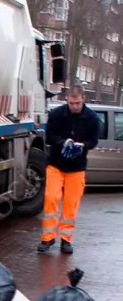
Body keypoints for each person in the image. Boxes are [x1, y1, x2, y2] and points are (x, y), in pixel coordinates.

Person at [38, 84, 99, 255]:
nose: (74, 106)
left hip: (77, 167)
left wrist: (82, 145)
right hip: (56, 164)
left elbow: (94, 140)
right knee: (51, 198)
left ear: (83, 99)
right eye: (71, 103)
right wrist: (63, 142)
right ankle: (47, 238)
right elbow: (49, 136)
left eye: (77, 103)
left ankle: (66, 240)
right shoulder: (57, 115)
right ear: (67, 100)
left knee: (71, 205)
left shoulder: (92, 118)